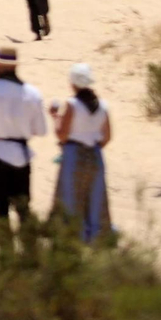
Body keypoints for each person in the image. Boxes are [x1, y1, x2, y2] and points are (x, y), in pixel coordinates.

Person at [0, 45, 47, 222]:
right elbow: (40, 131)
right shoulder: (33, 94)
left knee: (1, 210)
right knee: (23, 209)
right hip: (21, 155)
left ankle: (6, 247)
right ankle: (27, 248)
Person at [51, 63, 114, 242]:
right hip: (95, 155)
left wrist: (55, 116)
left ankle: (71, 239)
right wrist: (93, 147)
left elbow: (61, 134)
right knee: (95, 199)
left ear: (73, 83)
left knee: (70, 198)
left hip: (74, 154)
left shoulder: (72, 105)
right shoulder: (103, 105)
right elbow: (107, 136)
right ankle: (96, 239)